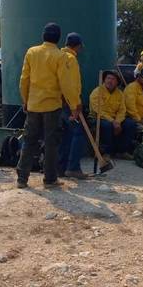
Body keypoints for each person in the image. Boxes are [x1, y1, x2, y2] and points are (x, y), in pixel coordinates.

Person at [16, 23, 80, 189]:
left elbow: (24, 79)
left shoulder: (32, 52)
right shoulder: (60, 56)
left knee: (29, 141)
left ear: (43, 36)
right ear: (58, 39)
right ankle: (50, 179)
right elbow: (66, 84)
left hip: (33, 105)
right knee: (51, 143)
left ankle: (22, 178)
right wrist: (74, 105)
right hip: (52, 106)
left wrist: (25, 100)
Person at [58, 33, 88, 180]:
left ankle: (61, 168)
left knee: (66, 135)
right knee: (78, 133)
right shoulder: (71, 59)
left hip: (55, 102)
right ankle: (73, 167)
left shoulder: (57, 56)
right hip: (68, 103)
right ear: (77, 46)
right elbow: (70, 85)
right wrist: (75, 105)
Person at [89, 70, 137, 159]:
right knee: (107, 126)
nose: (110, 81)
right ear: (104, 80)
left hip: (115, 119)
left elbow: (122, 110)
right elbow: (99, 111)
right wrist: (113, 121)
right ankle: (106, 152)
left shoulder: (120, 94)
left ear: (117, 82)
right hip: (99, 117)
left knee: (130, 124)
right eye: (108, 78)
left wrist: (118, 121)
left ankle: (122, 151)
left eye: (113, 79)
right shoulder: (97, 92)